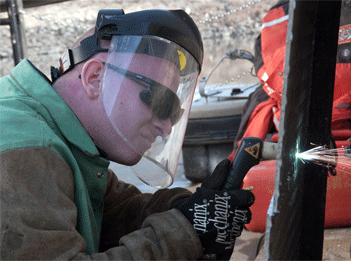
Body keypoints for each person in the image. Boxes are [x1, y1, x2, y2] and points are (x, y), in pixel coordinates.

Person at [0, 8, 254, 260]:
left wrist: (191, 208)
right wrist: (186, 230)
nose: (166, 127)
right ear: (95, 77)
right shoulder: (25, 147)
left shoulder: (67, 142)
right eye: (158, 101)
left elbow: (116, 212)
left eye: (174, 112)